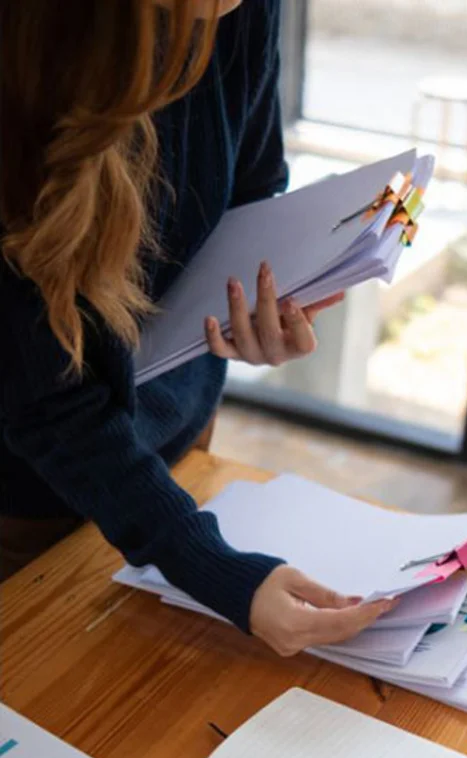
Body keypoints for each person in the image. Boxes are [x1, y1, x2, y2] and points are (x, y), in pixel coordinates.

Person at [0, 0, 393, 656]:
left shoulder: (237, 8)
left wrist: (273, 300)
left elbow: (253, 186)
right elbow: (46, 400)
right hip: (32, 484)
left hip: (176, 435)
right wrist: (213, 567)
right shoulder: (26, 59)